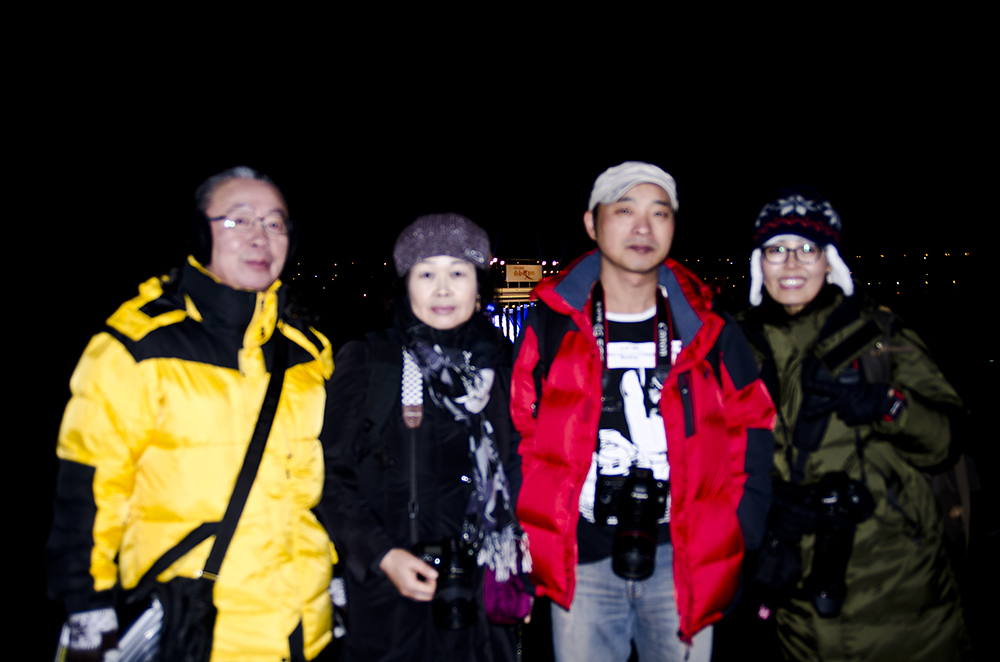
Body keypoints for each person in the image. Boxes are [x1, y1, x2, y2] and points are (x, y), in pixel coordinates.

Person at [46, 167, 337, 661]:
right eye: (239, 220)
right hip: (194, 629)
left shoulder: (308, 354)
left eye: (274, 223)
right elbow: (90, 487)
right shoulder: (137, 347)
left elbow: (327, 483)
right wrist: (88, 612)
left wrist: (342, 578)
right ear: (200, 234)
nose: (260, 237)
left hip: (305, 631)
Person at [510, 162, 776, 662]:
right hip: (581, 559)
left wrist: (738, 533)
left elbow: (753, 430)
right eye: (624, 210)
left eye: (659, 212)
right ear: (592, 224)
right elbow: (520, 429)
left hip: (685, 560)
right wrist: (536, 531)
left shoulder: (710, 329)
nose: (643, 227)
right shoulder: (554, 325)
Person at [737, 186, 971, 661]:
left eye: (808, 248)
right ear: (759, 264)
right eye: (776, 249)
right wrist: (765, 503)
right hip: (794, 600)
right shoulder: (736, 346)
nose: (792, 262)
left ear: (829, 261)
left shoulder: (881, 336)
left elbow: (946, 442)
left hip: (903, 593)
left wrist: (888, 406)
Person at [319, 213, 530, 662]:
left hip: (482, 594)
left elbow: (521, 468)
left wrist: (521, 567)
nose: (443, 289)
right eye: (426, 273)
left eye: (458, 273)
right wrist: (381, 554)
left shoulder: (503, 369)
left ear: (479, 286)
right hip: (392, 600)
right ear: (406, 286)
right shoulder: (372, 361)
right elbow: (328, 475)